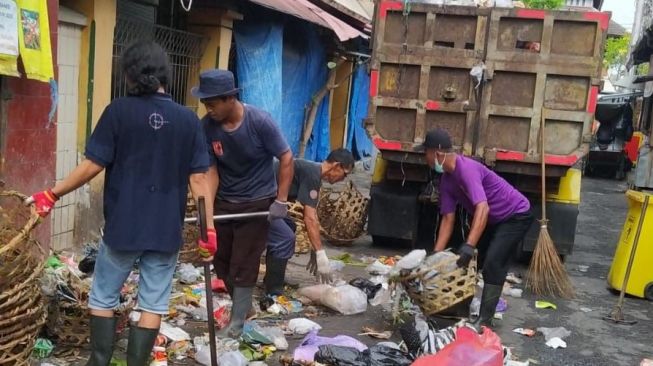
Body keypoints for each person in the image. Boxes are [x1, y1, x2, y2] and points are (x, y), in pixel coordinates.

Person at [26, 41, 216, 366]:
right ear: (164, 75)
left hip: (122, 227)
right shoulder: (187, 120)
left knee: (103, 296)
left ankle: (99, 362)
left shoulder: (118, 112)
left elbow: (92, 165)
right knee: (153, 303)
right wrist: (207, 231)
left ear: (130, 74)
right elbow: (199, 182)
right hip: (164, 230)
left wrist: (53, 193)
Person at [193, 69, 293, 338]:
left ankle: (237, 323)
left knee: (244, 262)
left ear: (229, 98)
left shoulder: (259, 122)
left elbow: (286, 157)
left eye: (212, 103)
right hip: (226, 199)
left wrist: (281, 200)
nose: (208, 109)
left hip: (257, 201)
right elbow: (211, 171)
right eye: (205, 104)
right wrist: (209, 215)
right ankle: (243, 308)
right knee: (222, 261)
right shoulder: (207, 127)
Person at [425, 128, 534, 331]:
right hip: (493, 219)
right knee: (469, 259)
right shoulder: (446, 180)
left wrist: (470, 244)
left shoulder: (466, 169)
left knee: (494, 262)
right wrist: (435, 255)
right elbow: (448, 218)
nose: (425, 159)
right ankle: (459, 309)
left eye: (426, 154)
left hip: (516, 214)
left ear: (437, 153)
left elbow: (482, 207)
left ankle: (485, 320)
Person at [264, 149, 356, 296]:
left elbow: (310, 214)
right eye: (345, 174)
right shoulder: (312, 174)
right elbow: (310, 218)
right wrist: (321, 254)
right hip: (258, 198)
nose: (343, 179)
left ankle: (272, 278)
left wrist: (315, 246)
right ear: (337, 166)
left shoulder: (313, 172)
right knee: (285, 238)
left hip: (269, 200)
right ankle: (273, 291)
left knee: (289, 225)